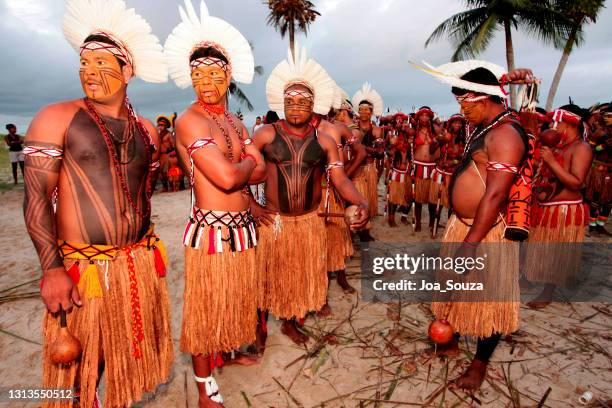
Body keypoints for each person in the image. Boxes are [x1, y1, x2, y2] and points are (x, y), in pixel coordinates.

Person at [23, 1, 172, 406]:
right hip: (82, 266)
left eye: (102, 64)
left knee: (113, 352)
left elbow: (144, 188)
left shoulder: (146, 130)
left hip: (134, 264)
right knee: (76, 361)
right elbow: (35, 196)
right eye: (84, 64)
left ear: (128, 71)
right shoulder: (56, 117)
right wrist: (52, 269)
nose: (90, 73)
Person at [164, 1, 266, 405]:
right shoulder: (190, 120)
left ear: (228, 77)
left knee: (233, 301)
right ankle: (206, 390)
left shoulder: (235, 122)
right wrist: (244, 162)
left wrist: (241, 165)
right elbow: (227, 177)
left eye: (213, 73)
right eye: (197, 74)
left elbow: (256, 175)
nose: (205, 81)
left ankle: (225, 354)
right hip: (212, 231)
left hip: (242, 229)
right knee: (206, 310)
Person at [415, 59, 534, 391]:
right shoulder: (486, 124)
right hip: (463, 225)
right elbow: (496, 87)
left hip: (485, 232)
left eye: (465, 102)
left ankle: (479, 365)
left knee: (487, 301)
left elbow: (495, 195)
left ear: (483, 99)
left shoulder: (506, 135)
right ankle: (450, 341)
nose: (461, 110)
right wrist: (509, 77)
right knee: (453, 287)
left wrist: (470, 244)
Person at [252, 46, 369, 345]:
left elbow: (340, 178)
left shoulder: (326, 141)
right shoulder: (266, 133)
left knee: (298, 274)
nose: (296, 106)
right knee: (270, 275)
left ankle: (291, 321)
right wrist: (251, 205)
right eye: (290, 101)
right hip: (275, 222)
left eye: (303, 101)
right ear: (282, 102)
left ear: (313, 105)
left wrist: (360, 201)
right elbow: (243, 171)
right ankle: (263, 327)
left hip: (307, 222)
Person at [525, 105, 593, 309]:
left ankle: (548, 291)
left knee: (556, 252)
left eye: (558, 123)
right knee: (542, 248)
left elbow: (576, 182)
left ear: (570, 124)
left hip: (564, 210)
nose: (554, 127)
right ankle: (532, 278)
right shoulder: (560, 147)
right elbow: (550, 173)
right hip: (548, 206)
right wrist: (535, 161)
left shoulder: (581, 148)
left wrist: (551, 162)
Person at [351, 82, 384, 241]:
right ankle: (355, 230)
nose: (363, 112)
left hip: (369, 168)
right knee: (355, 199)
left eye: (366, 110)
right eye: (361, 109)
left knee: (367, 199)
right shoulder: (352, 128)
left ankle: (365, 232)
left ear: (371, 112)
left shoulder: (376, 130)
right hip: (355, 169)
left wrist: (363, 149)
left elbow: (380, 153)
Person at [429, 114, 466, 230]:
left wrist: (453, 162)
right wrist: (437, 139)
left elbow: (464, 157)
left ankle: (450, 227)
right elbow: (431, 150)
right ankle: (433, 224)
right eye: (455, 122)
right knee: (437, 202)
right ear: (451, 124)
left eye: (460, 123)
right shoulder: (444, 136)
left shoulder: (464, 139)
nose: (458, 125)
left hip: (455, 174)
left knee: (452, 203)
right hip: (441, 173)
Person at [412, 106, 441, 232]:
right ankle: (417, 223)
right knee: (417, 198)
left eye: (427, 115)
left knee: (432, 198)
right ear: (418, 117)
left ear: (430, 118)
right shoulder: (413, 131)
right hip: (418, 165)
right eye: (422, 115)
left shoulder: (435, 130)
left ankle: (431, 223)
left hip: (432, 167)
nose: (424, 117)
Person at [585, 102, 611, 235]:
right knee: (596, 199)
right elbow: (590, 148)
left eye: (609, 115)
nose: (605, 117)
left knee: (609, 201)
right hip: (599, 171)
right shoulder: (599, 131)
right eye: (604, 115)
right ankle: (592, 225)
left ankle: (600, 225)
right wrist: (604, 147)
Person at [155, 114, 176, 192]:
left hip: (167, 155)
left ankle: (172, 187)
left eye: (162, 125)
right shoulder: (157, 134)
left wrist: (172, 153)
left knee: (168, 173)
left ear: (166, 126)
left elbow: (173, 145)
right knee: (160, 174)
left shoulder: (169, 135)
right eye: (159, 125)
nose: (160, 126)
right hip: (160, 156)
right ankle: (165, 188)